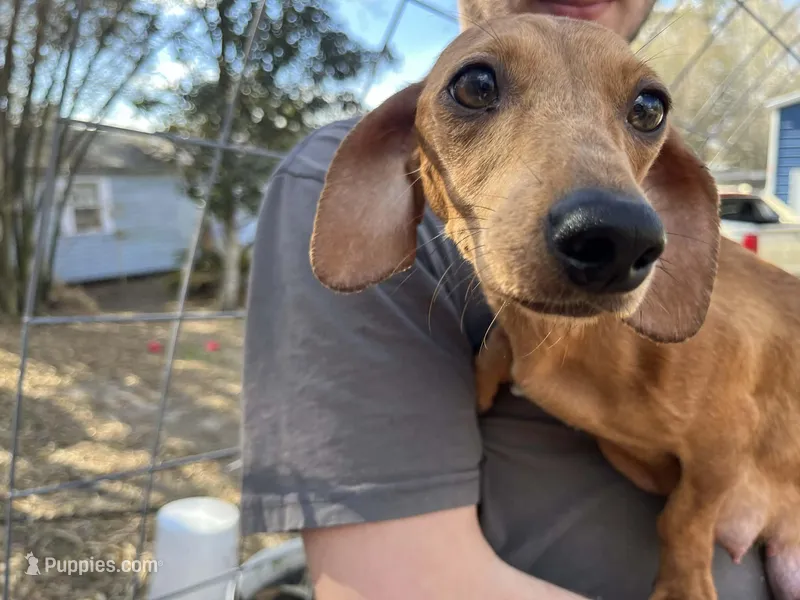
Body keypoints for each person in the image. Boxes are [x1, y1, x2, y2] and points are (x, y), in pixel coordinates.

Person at [240, 1, 774, 598]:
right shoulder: (331, 180)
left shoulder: (685, 259)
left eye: (644, 110)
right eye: (478, 88)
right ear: (397, 149)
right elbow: (395, 586)